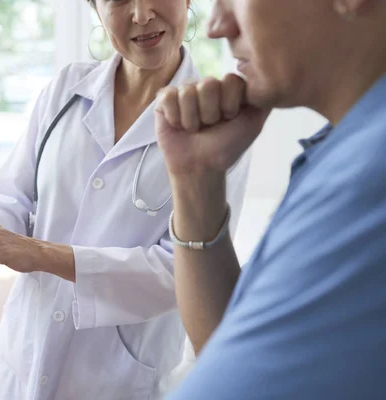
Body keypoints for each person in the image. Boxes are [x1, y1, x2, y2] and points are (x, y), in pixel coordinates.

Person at [0, 1, 251, 399]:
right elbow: (11, 201)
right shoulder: (65, 90)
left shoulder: (215, 123)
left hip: (120, 378)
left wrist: (41, 254)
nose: (141, 13)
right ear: (94, 8)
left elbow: (182, 272)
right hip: (24, 354)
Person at [153, 0, 386, 399]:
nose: (217, 26)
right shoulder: (341, 147)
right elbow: (232, 354)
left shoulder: (370, 176)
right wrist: (195, 178)